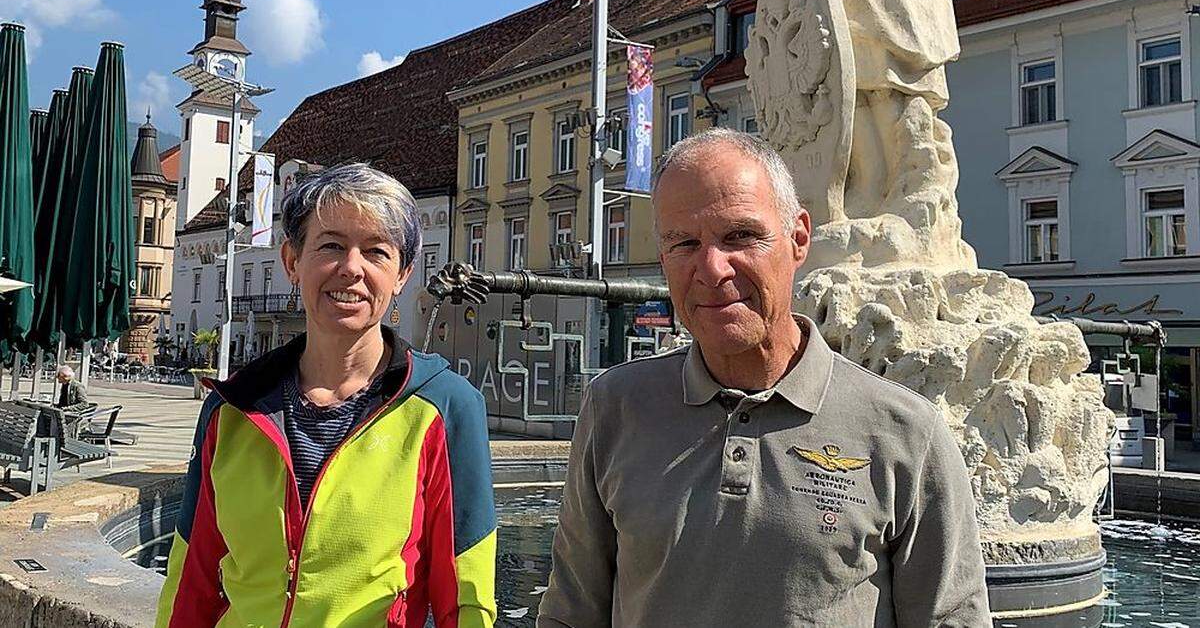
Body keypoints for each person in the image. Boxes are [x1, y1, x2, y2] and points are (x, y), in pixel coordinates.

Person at [537, 128, 990, 627]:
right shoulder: (615, 407)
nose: (712, 268)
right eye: (684, 243)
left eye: (740, 236)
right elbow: (571, 612)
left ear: (798, 239)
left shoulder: (905, 432)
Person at [157, 164, 496, 627]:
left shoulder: (444, 407)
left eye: (376, 252)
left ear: (402, 274)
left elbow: (467, 595)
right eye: (331, 245)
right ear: (293, 262)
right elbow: (191, 578)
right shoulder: (234, 407)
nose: (351, 268)